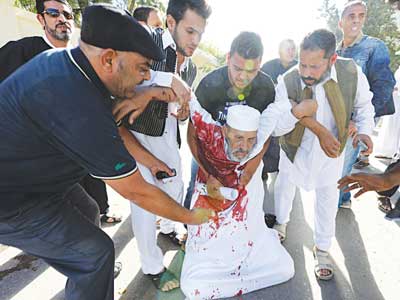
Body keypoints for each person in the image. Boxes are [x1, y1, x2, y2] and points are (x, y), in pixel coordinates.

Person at [0, 4, 213, 300]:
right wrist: (190, 217)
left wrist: (149, 92)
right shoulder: (78, 106)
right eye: (142, 68)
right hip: (13, 201)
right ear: (109, 59)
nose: (145, 77)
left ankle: (85, 276)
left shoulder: (69, 64)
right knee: (96, 254)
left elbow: (109, 113)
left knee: (88, 210)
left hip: (36, 179)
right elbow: (138, 192)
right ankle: (88, 270)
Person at [113, 0, 212, 292]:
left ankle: (168, 228)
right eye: (190, 31)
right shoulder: (148, 41)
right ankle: (152, 266)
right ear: (171, 23)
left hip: (167, 136)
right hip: (137, 136)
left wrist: (180, 113)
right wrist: (168, 81)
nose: (195, 41)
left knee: (175, 186)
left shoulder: (191, 66)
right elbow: (126, 76)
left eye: (200, 34)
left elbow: (176, 105)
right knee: (144, 203)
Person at [181, 94, 319, 299]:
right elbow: (191, 109)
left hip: (248, 239)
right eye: (238, 138)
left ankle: (239, 271)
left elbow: (276, 112)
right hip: (213, 240)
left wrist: (299, 108)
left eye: (250, 139)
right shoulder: (212, 134)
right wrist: (208, 174)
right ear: (225, 131)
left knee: (286, 269)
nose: (244, 147)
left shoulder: (259, 137)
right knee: (193, 287)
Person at [273, 29, 375, 281]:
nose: (305, 72)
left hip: (332, 153)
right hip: (294, 149)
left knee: (327, 199)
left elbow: (364, 106)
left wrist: (364, 132)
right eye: (302, 64)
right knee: (285, 187)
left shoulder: (351, 73)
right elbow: (279, 125)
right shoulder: (287, 80)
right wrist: (312, 125)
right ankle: (280, 224)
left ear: (331, 60)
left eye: (314, 66)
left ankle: (322, 250)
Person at [183, 31, 276, 215]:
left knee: (243, 207)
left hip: (247, 157)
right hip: (208, 154)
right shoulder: (210, 84)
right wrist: (207, 173)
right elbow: (192, 134)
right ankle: (189, 230)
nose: (242, 77)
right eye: (237, 68)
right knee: (197, 195)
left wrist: (250, 169)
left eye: (251, 71)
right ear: (228, 58)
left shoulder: (266, 87)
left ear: (260, 64)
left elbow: (266, 133)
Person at [337, 0, 395, 208]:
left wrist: (362, 123)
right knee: (338, 162)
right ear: (340, 22)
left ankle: (330, 213)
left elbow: (384, 86)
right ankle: (344, 198)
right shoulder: (336, 51)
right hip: (338, 118)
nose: (357, 20)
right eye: (351, 15)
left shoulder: (374, 46)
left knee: (340, 166)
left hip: (356, 122)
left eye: (361, 16)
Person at [260, 39, 298, 226]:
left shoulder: (300, 69)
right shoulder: (268, 67)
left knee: (284, 169)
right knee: (266, 157)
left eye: (293, 48)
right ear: (279, 50)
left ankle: (279, 212)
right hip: (271, 119)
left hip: (293, 122)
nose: (291, 51)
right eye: (287, 48)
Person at [0, 0, 74, 82]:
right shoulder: (19, 51)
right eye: (53, 13)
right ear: (41, 19)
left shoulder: (83, 59)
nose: (62, 19)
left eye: (67, 15)